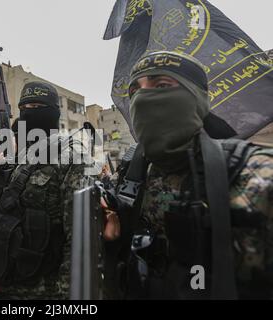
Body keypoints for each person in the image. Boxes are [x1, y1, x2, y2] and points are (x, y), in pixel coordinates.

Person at [103, 51, 273, 299]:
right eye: (135, 91)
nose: (142, 98)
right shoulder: (134, 173)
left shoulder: (256, 174)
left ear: (197, 99)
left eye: (161, 85)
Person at [0, 81, 92, 299]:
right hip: (4, 280)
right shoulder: (21, 156)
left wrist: (71, 296)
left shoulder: (72, 155)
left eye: (38, 107)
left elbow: (79, 239)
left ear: (53, 113)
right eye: (24, 109)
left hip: (46, 291)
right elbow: (4, 213)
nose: (29, 114)